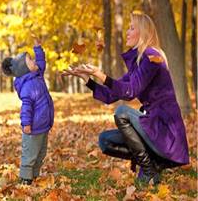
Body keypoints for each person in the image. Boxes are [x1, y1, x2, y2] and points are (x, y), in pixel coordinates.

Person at [62, 11, 189, 184]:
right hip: (153, 125)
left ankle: (149, 170)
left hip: (166, 132)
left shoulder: (153, 57)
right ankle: (152, 162)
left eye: (131, 28)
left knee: (122, 112)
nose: (127, 32)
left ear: (143, 32)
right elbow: (110, 95)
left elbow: (130, 92)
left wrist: (101, 74)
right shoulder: (139, 62)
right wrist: (87, 80)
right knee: (105, 140)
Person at [1, 36, 54, 185]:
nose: (34, 61)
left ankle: (34, 175)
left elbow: (42, 63)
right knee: (30, 153)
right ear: (24, 69)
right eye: (30, 60)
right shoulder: (27, 87)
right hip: (33, 127)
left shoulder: (37, 74)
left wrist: (38, 48)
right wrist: (26, 124)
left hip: (43, 125)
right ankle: (25, 178)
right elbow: (26, 108)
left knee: (41, 153)